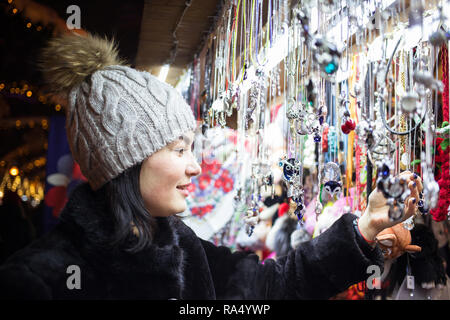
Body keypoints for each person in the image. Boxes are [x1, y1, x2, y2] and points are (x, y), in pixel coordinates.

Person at [0, 33, 422, 300]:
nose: (196, 168)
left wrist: (364, 228)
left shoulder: (183, 247)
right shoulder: (38, 280)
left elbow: (276, 287)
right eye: (178, 150)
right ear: (124, 160)